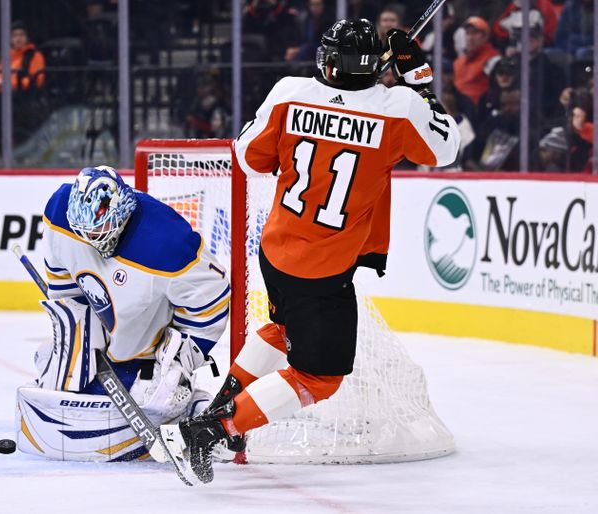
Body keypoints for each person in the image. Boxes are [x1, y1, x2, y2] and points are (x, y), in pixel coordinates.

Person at [160, 18, 460, 485]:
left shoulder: (288, 92)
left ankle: (225, 402)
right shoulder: (398, 107)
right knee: (319, 378)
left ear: (329, 61)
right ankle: (210, 430)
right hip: (323, 272)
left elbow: (247, 156)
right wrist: (417, 79)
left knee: (282, 327)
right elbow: (446, 148)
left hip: (277, 251)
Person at [16, 166, 230, 462]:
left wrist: (182, 356)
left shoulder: (165, 241)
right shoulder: (60, 212)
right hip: (110, 342)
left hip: (149, 354)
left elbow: (213, 297)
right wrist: (78, 325)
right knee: (55, 371)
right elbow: (63, 277)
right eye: (85, 233)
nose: (91, 239)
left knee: (161, 396)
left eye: (98, 231)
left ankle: (199, 411)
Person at [453, 16, 500, 107]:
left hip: (478, 112)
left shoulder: (493, 59)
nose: (470, 38)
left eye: (475, 33)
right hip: (457, 111)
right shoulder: (458, 62)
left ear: (485, 36)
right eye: (468, 33)